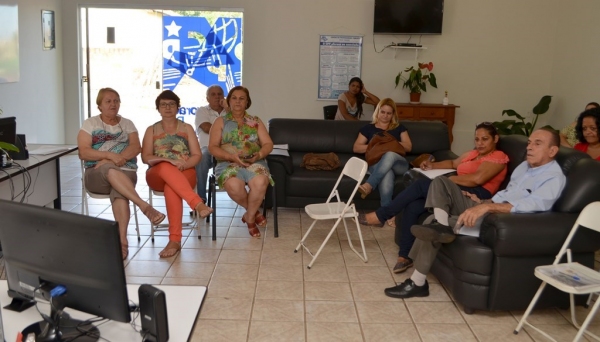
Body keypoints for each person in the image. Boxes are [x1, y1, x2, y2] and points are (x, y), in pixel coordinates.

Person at [384, 128, 565, 299]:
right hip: (490, 206)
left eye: (537, 143)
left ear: (552, 150)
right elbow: (505, 194)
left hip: (501, 221)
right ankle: (441, 225)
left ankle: (418, 283)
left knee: (430, 220)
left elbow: (536, 204)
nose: (530, 147)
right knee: (440, 182)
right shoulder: (524, 167)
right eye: (529, 142)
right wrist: (484, 202)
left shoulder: (553, 177)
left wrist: (488, 207)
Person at [359, 122, 509, 273]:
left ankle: (382, 215)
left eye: (485, 139)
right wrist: (432, 165)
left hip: (476, 193)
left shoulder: (498, 157)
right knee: (414, 205)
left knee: (420, 186)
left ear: (495, 139)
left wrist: (448, 181)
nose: (480, 143)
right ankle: (404, 256)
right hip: (458, 187)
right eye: (477, 139)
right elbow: (452, 162)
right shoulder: (473, 154)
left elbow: (477, 179)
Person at [77, 87, 166, 260]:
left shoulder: (127, 124)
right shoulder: (90, 124)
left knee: (120, 191)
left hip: (125, 173)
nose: (113, 104)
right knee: (109, 170)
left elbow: (136, 147)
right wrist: (108, 156)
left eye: (116, 101)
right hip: (96, 174)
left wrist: (111, 160)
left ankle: (122, 241)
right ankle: (143, 206)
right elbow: (84, 152)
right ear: (99, 106)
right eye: (108, 101)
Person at [141, 90, 213, 258]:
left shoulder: (186, 128)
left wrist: (184, 165)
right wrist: (170, 162)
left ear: (178, 107)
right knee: (166, 167)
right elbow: (146, 157)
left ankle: (174, 240)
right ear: (158, 108)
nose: (167, 107)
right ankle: (197, 203)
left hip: (184, 172)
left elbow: (197, 155)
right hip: (157, 173)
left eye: (171, 104)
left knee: (171, 187)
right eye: (163, 105)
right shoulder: (151, 130)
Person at [208, 86, 274, 238]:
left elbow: (268, 144)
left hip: (255, 162)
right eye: (234, 98)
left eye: (241, 98)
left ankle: (250, 218)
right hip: (228, 163)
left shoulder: (255, 121)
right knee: (234, 185)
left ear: (247, 102)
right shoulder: (220, 122)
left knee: (260, 182)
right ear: (228, 101)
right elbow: (212, 147)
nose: (237, 102)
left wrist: (259, 155)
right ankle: (254, 212)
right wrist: (231, 157)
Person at [352, 98, 412, 227]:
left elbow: (408, 146)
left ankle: (369, 185)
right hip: (377, 164)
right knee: (387, 173)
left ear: (393, 115)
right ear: (377, 112)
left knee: (389, 155)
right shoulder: (368, 128)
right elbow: (356, 147)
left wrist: (389, 145)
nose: (385, 116)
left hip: (399, 164)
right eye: (382, 112)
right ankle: (388, 214)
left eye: (388, 113)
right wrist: (377, 146)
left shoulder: (399, 128)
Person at [195, 85, 229, 202]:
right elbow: (206, 128)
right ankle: (200, 200)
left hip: (228, 149)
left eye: (219, 94)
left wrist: (228, 109)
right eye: (213, 94)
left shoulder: (230, 112)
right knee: (201, 157)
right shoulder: (202, 111)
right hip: (208, 149)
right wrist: (226, 131)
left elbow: (237, 128)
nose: (217, 97)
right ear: (207, 98)